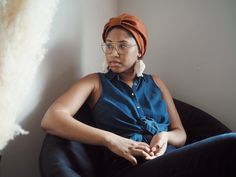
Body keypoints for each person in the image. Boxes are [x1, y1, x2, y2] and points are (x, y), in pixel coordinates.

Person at [41, 13, 236, 177]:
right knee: (230, 143)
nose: (113, 53)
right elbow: (51, 119)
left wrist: (164, 136)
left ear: (140, 51)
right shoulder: (94, 82)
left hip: (175, 159)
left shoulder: (157, 83)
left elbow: (181, 133)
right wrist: (111, 139)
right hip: (132, 167)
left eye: (123, 46)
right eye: (108, 45)